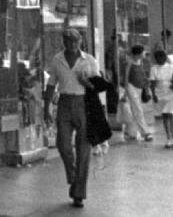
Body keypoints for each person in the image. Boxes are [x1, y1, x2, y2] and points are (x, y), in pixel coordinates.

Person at [46, 28, 100, 209]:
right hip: (65, 103)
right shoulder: (57, 60)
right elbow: (51, 85)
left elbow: (98, 86)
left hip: (84, 103)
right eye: (68, 41)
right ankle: (73, 173)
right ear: (63, 42)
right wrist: (47, 107)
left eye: (75, 41)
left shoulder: (89, 60)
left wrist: (86, 83)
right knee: (63, 143)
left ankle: (78, 194)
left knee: (84, 149)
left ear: (80, 42)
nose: (72, 44)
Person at [119, 44, 155, 142]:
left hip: (139, 88)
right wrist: (126, 93)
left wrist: (146, 84)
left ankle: (130, 132)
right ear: (137, 54)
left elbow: (142, 74)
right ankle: (145, 132)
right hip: (131, 87)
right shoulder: (129, 62)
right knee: (137, 110)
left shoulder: (140, 62)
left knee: (134, 110)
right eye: (142, 52)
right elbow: (126, 78)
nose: (144, 54)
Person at [150, 48, 173, 147]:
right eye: (158, 58)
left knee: (171, 115)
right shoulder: (154, 69)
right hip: (160, 94)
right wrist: (153, 95)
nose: (160, 59)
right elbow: (152, 83)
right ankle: (168, 138)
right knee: (165, 115)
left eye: (162, 57)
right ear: (156, 59)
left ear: (165, 57)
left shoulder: (172, 67)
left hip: (171, 93)